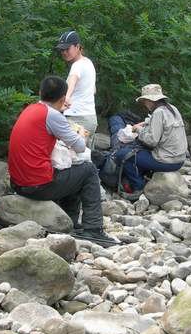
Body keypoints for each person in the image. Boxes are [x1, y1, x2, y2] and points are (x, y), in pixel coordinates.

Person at [8, 76, 118, 247]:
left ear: (40, 92)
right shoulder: (52, 115)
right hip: (37, 185)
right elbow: (80, 146)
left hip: (18, 183)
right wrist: (80, 134)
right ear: (62, 98)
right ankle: (93, 228)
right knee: (88, 170)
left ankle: (68, 221)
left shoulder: (30, 109)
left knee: (73, 170)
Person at [108, 84, 188, 195]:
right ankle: (145, 178)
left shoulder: (158, 112)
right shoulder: (172, 108)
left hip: (166, 161)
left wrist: (138, 130)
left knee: (123, 155)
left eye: (145, 101)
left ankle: (138, 187)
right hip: (179, 160)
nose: (144, 104)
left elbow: (151, 141)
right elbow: (159, 125)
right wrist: (143, 124)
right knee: (138, 153)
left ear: (150, 101)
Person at [56, 30, 98, 146]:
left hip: (77, 119)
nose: (64, 52)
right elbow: (93, 90)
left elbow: (72, 80)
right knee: (86, 154)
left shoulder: (77, 65)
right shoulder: (88, 63)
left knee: (67, 155)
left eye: (67, 49)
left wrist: (67, 97)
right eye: (62, 50)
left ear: (77, 47)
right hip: (90, 118)